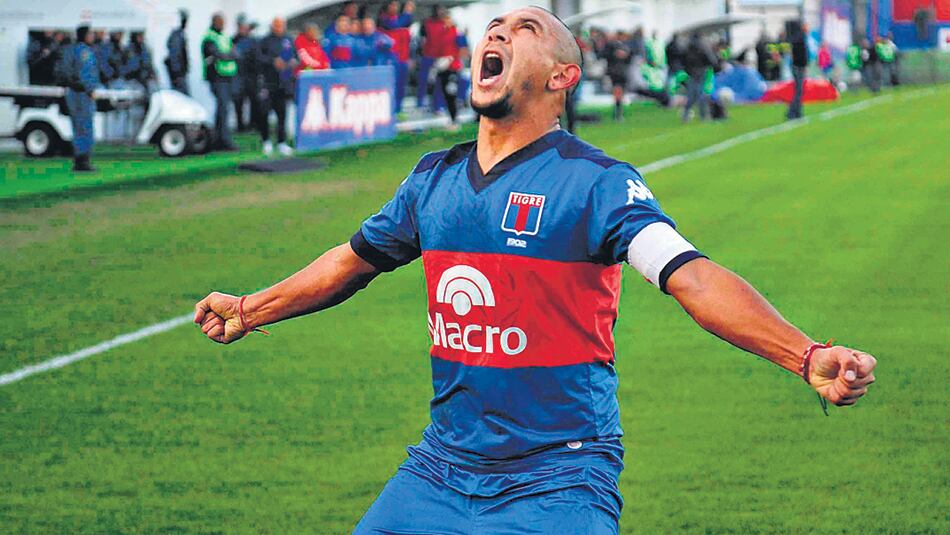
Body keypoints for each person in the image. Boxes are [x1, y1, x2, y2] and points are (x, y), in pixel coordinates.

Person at [194, 7, 878, 533]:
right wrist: (252, 309)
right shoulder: (431, 179)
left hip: (560, 474)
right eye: (492, 28)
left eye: (523, 29)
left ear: (561, 77)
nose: (498, 32)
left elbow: (690, 276)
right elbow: (350, 263)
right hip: (438, 467)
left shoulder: (598, 183)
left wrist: (805, 355)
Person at [256, 17, 297, 157]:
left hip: (284, 83)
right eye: (276, 26)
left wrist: (292, 62)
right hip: (268, 83)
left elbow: (295, 56)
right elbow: (258, 58)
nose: (279, 28)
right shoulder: (264, 41)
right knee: (264, 113)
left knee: (282, 114)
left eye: (281, 26)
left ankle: (281, 142)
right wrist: (272, 61)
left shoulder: (289, 40)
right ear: (272, 26)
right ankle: (266, 141)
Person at [62, 23, 99, 172]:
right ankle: (82, 160)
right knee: (83, 126)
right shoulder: (82, 52)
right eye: (90, 34)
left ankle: (82, 159)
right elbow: (83, 74)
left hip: (80, 92)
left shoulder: (79, 50)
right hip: (80, 93)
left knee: (82, 126)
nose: (92, 36)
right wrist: (88, 89)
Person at [202, 12, 238, 151]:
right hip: (216, 77)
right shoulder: (209, 37)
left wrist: (228, 55)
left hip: (227, 76)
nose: (222, 24)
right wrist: (228, 55)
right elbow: (219, 55)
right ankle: (223, 140)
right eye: (220, 22)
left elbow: (235, 53)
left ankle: (218, 140)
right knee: (222, 109)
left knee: (223, 109)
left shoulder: (224, 36)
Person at [429, 9, 465, 129]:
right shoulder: (441, 34)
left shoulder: (456, 33)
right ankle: (452, 119)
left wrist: (455, 61)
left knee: (451, 92)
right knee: (445, 93)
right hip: (443, 68)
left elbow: (463, 50)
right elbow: (437, 51)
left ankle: (455, 120)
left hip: (453, 68)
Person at [378, 0, 414, 113]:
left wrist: (410, 58)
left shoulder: (402, 23)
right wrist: (407, 13)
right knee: (389, 86)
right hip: (388, 61)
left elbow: (408, 42)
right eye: (392, 5)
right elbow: (393, 25)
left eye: (396, 5)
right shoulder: (384, 19)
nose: (395, 7)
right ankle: (388, 110)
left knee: (400, 86)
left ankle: (398, 109)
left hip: (402, 60)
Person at [682, 32, 716, 122]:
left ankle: (685, 114)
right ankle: (703, 116)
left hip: (691, 73)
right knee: (701, 94)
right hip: (701, 72)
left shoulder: (687, 48)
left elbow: (684, 61)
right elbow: (711, 60)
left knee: (691, 95)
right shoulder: (703, 47)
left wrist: (688, 70)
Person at [232, 15, 258, 132]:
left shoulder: (253, 41)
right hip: (237, 76)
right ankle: (240, 126)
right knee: (238, 102)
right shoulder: (233, 40)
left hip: (251, 76)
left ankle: (253, 124)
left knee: (253, 101)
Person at [602, 31, 632, 121]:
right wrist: (615, 54)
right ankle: (617, 113)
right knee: (617, 92)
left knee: (620, 93)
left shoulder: (624, 46)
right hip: (615, 72)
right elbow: (603, 55)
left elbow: (629, 58)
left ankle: (618, 112)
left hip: (621, 72)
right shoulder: (610, 46)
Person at [165, 9, 190, 95]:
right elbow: (174, 55)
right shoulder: (176, 35)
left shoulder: (180, 34)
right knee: (181, 97)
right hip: (178, 74)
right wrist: (178, 73)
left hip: (179, 73)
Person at [786, 22, 808, 120]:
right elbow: (801, 54)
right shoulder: (799, 37)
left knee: (799, 91)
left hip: (798, 66)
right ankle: (792, 112)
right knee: (799, 91)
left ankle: (797, 112)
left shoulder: (798, 37)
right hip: (798, 66)